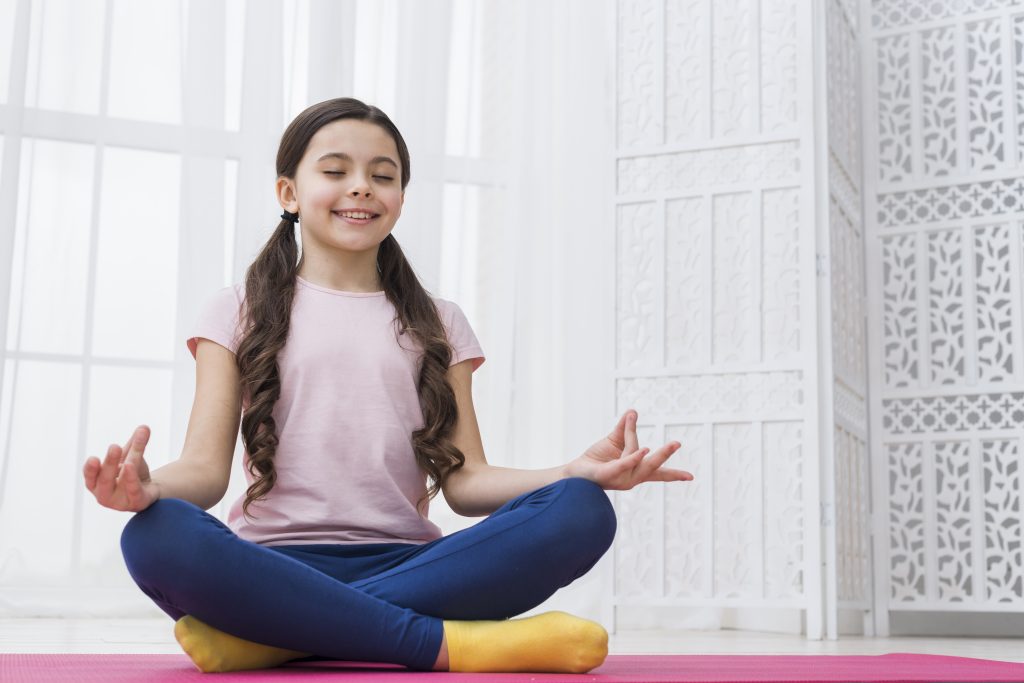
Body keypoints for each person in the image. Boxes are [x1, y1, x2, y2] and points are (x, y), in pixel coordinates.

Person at [81, 97, 692, 674]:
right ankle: (438, 643)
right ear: (289, 193)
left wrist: (569, 474)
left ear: (400, 197)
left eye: (382, 174)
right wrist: (150, 488)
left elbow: (466, 483)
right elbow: (206, 472)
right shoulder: (236, 310)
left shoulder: (440, 321)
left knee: (582, 511)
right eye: (336, 170)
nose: (360, 187)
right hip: (267, 568)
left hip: (420, 566)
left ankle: (275, 641)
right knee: (156, 534)